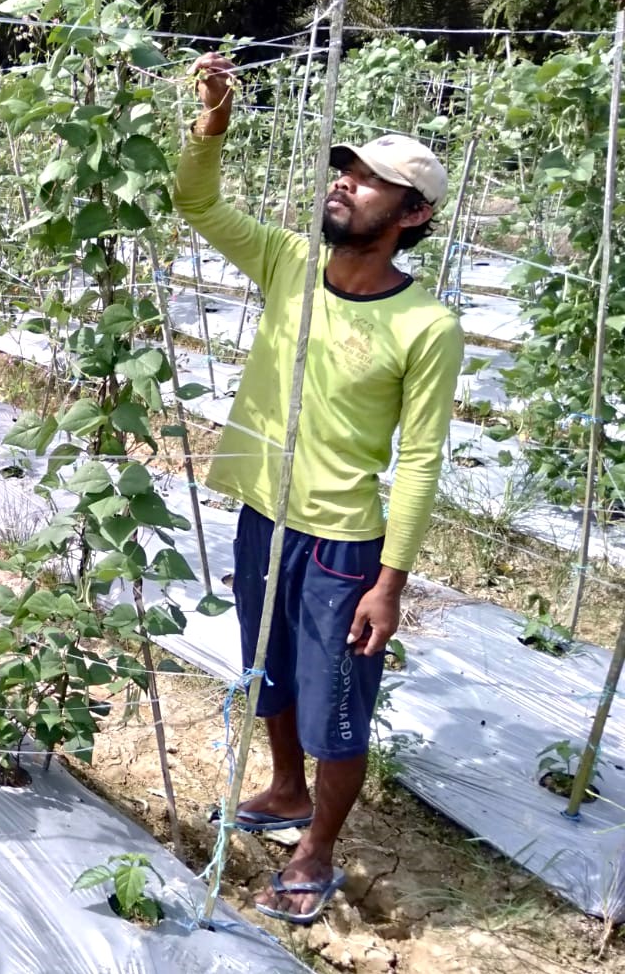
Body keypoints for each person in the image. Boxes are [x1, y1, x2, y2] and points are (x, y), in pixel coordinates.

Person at [176, 55, 464, 925]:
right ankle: (285, 789)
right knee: (268, 671)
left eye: (374, 182)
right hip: (263, 516)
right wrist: (213, 123)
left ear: (412, 215)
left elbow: (418, 459)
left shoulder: (426, 325)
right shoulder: (289, 261)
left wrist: (392, 579)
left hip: (343, 543)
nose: (348, 184)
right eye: (347, 169)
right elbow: (196, 203)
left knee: (338, 700)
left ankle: (318, 848)